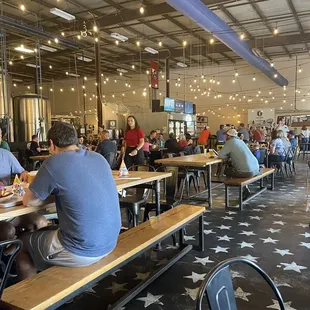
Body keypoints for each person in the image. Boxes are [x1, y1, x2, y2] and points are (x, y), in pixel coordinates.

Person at [18, 122, 121, 280]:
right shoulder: (98, 158)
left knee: (21, 244)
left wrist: (49, 196)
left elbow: (29, 202)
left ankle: (30, 300)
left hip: (82, 250)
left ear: (51, 144)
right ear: (75, 140)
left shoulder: (53, 163)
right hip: (110, 241)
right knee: (45, 232)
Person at [218, 129, 260, 199]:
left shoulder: (230, 142)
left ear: (228, 136)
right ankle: (245, 189)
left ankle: (229, 193)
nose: (225, 137)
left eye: (226, 135)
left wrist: (228, 156)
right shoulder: (240, 141)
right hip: (256, 168)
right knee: (239, 168)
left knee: (227, 171)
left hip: (247, 171)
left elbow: (221, 155)